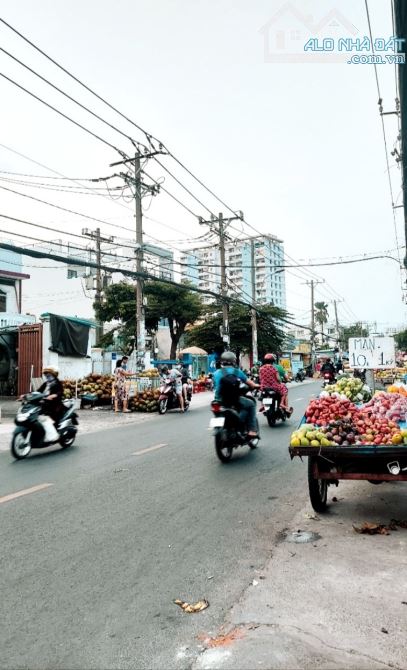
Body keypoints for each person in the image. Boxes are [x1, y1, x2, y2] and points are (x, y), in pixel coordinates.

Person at [213, 351, 259, 438]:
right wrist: (257, 385)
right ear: (234, 361)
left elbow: (215, 385)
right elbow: (251, 384)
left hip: (218, 400)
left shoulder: (216, 373)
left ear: (222, 361)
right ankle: (252, 430)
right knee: (251, 404)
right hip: (233, 399)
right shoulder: (237, 372)